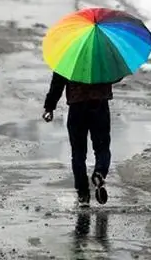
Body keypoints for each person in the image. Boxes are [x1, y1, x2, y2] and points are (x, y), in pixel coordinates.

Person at [43, 72, 112, 207]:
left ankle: (83, 194)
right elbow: (115, 75)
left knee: (78, 153)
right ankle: (100, 173)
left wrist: (49, 107)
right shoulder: (103, 56)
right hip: (100, 105)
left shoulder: (69, 56)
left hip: (77, 107)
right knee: (102, 147)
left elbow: (58, 82)